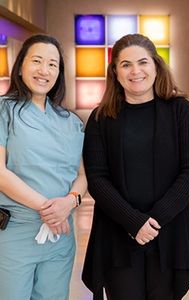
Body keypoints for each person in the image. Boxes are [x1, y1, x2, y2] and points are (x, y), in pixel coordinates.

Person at [82, 33, 189, 300]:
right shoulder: (101, 118)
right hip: (118, 235)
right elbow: (97, 179)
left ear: (156, 66)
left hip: (169, 232)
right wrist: (134, 222)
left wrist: (153, 221)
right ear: (115, 71)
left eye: (143, 62)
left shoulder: (180, 110)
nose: (135, 71)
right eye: (125, 64)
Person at [0, 34, 87, 300]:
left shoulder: (70, 121)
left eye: (52, 64)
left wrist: (69, 203)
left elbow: (84, 175)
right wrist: (49, 209)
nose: (44, 70)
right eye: (37, 61)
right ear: (21, 65)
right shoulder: (5, 110)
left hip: (61, 235)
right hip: (15, 233)